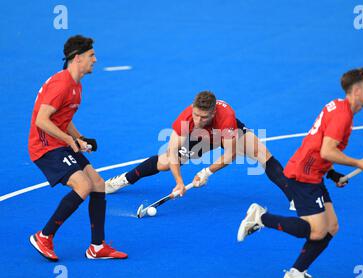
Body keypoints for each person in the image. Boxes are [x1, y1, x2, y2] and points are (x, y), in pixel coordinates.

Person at [237, 67, 363, 278]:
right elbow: (327, 151)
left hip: (315, 173)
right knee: (317, 230)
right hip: (304, 175)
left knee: (331, 227)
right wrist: (358, 163)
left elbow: (318, 145)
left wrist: (332, 174)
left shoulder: (339, 107)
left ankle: (295, 275)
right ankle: (261, 218)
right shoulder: (342, 116)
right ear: (357, 90)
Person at [28, 35, 127, 261]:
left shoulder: (76, 85)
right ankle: (44, 236)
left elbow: (62, 117)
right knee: (83, 185)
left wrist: (80, 138)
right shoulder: (61, 84)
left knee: (98, 184)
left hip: (61, 143)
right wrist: (69, 140)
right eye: (91, 56)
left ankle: (97, 246)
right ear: (77, 58)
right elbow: (42, 120)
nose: (95, 59)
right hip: (45, 147)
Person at [104, 91, 292, 203]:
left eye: (204, 117)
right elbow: (171, 154)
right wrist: (179, 182)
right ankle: (123, 180)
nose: (198, 119)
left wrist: (206, 172)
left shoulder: (226, 117)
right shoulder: (186, 119)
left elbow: (231, 154)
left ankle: (293, 196)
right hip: (199, 137)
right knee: (163, 163)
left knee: (261, 153)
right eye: (196, 115)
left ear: (213, 113)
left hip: (224, 133)